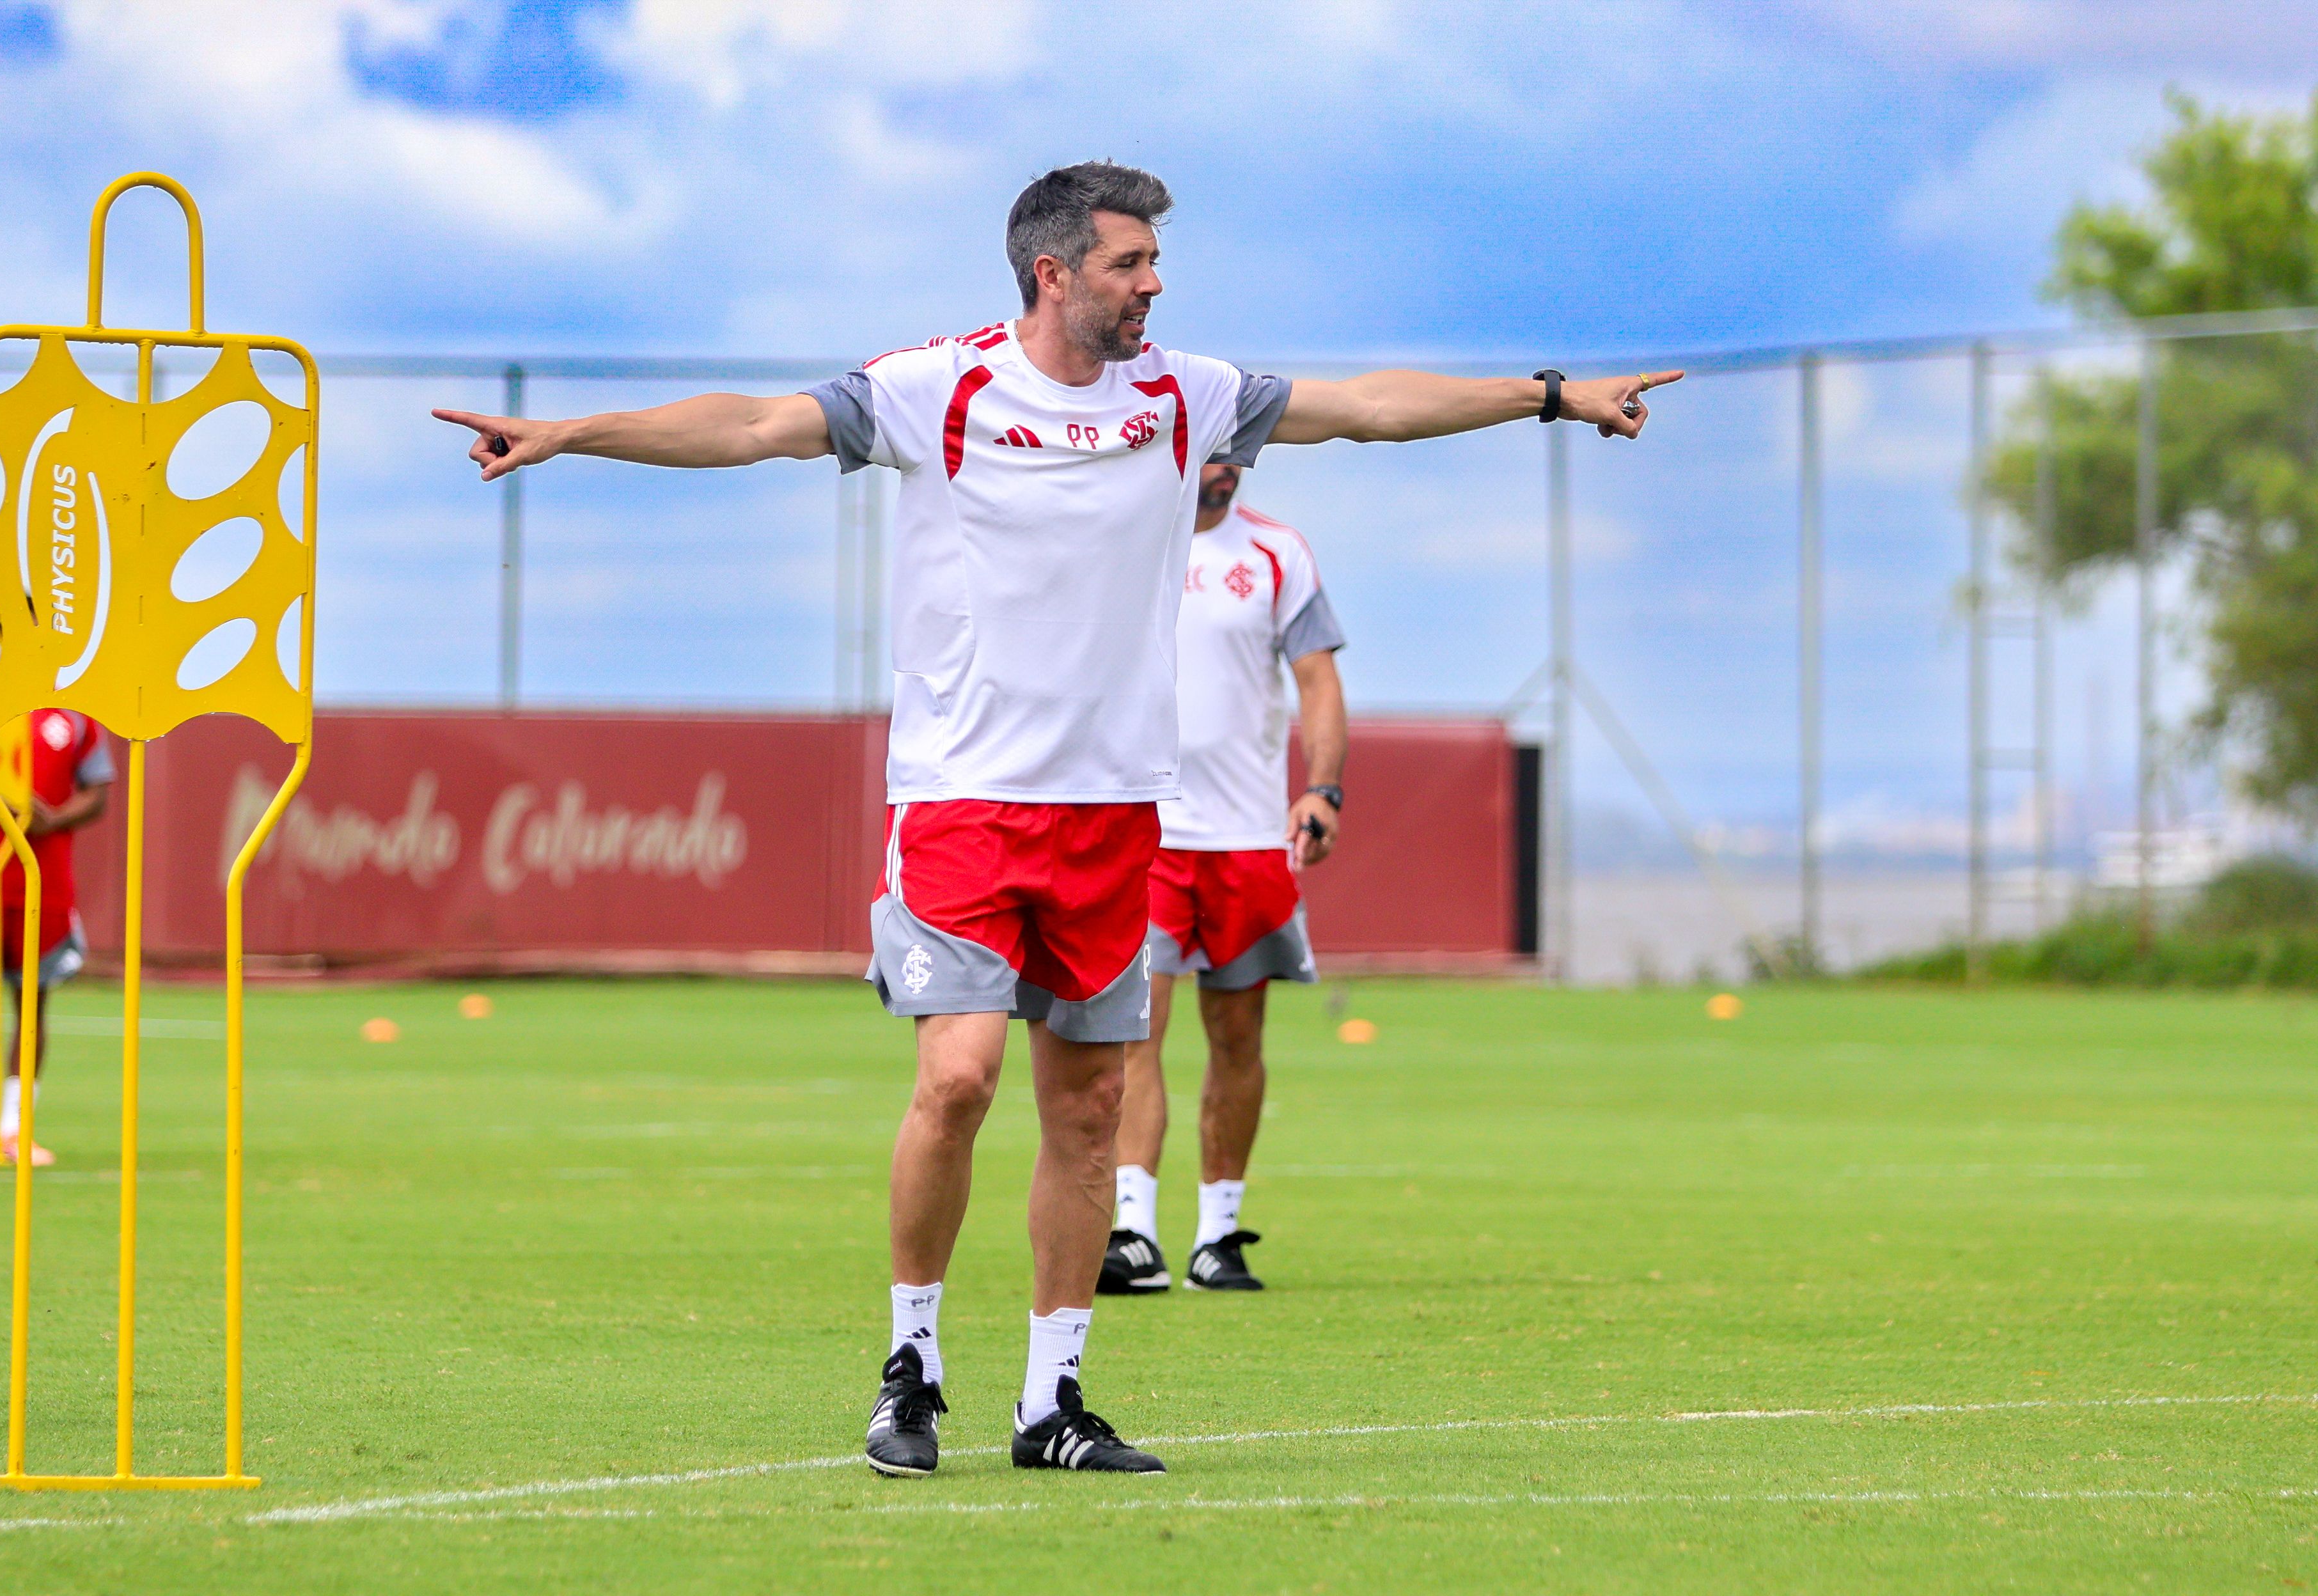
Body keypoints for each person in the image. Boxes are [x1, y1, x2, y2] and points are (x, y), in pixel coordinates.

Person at [433, 161, 1678, 1479]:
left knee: (1089, 1113)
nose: (1154, 287)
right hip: (964, 807)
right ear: (1055, 274)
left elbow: (1370, 406)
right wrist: (576, 433)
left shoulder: (1187, 394)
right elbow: (749, 426)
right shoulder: (938, 387)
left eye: (1154, 266)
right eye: (1132, 265)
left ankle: (1054, 1402)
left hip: (1116, 817)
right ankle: (910, 1361)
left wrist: (1550, 397)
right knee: (958, 1077)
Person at [1100, 464, 1343, 1297]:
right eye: (1211, 448)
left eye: (1238, 449)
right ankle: (1133, 1231)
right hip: (1150, 833)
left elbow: (1318, 681)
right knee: (1139, 1032)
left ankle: (1217, 1236)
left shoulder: (1278, 553)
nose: (1223, 466)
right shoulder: (1131, 542)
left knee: (1239, 1042)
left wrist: (1323, 788)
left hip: (1248, 839)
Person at [0, 708, 114, 1166]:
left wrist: (53, 817)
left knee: (32, 1003)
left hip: (45, 878)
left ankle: (16, 1130)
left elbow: (98, 795)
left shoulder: (76, 720)